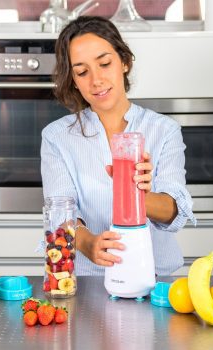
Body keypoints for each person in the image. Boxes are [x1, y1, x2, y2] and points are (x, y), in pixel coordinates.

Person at [41, 16, 196, 276]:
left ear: (124, 62)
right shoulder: (57, 137)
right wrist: (89, 243)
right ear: (74, 80)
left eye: (104, 63)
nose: (96, 80)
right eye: (82, 72)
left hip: (156, 278)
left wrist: (139, 195)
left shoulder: (164, 130)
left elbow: (174, 212)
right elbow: (61, 211)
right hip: (88, 280)